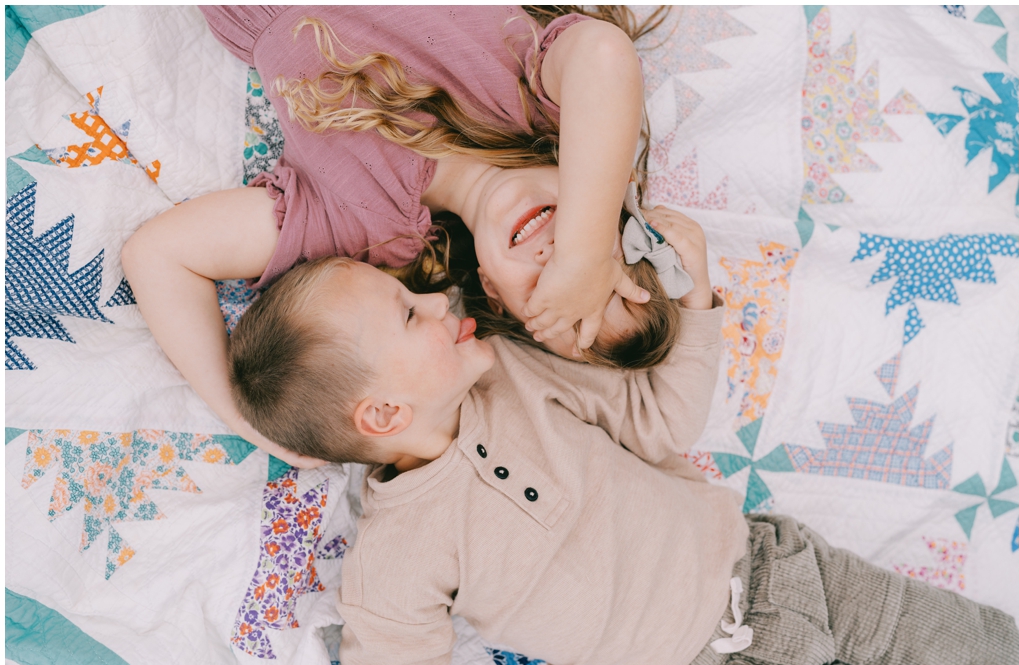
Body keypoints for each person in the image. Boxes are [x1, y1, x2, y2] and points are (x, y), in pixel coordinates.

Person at [225, 208, 1018, 665]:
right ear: (383, 415)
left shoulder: (514, 378)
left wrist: (697, 302)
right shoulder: (394, 559)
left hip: (776, 570)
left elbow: (658, 421)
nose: (437, 302)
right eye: (407, 314)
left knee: (974, 646)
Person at [121, 6, 678, 467]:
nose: (555, 256)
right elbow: (604, 55)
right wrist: (583, 255)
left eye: (551, 297)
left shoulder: (364, 232)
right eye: (595, 258)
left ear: (491, 290)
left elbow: (158, 255)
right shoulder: (536, 98)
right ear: (607, 189)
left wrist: (248, 421)